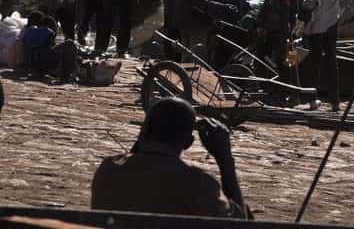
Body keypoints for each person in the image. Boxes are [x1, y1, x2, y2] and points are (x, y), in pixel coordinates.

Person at [91, 97, 247, 218]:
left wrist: (143, 138)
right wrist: (225, 160)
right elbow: (239, 225)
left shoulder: (108, 169)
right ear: (188, 143)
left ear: (143, 133)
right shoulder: (198, 183)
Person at [300, 0, 344, 112]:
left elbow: (310, 5)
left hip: (317, 26)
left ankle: (312, 100)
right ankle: (335, 102)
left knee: (314, 64)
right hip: (333, 23)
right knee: (332, 62)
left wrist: (302, 9)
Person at [22, 12, 77, 79]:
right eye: (54, 26)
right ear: (49, 25)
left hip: (30, 64)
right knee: (69, 43)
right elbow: (50, 50)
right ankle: (66, 75)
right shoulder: (48, 32)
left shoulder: (29, 31)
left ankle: (40, 73)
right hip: (42, 62)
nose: (55, 29)